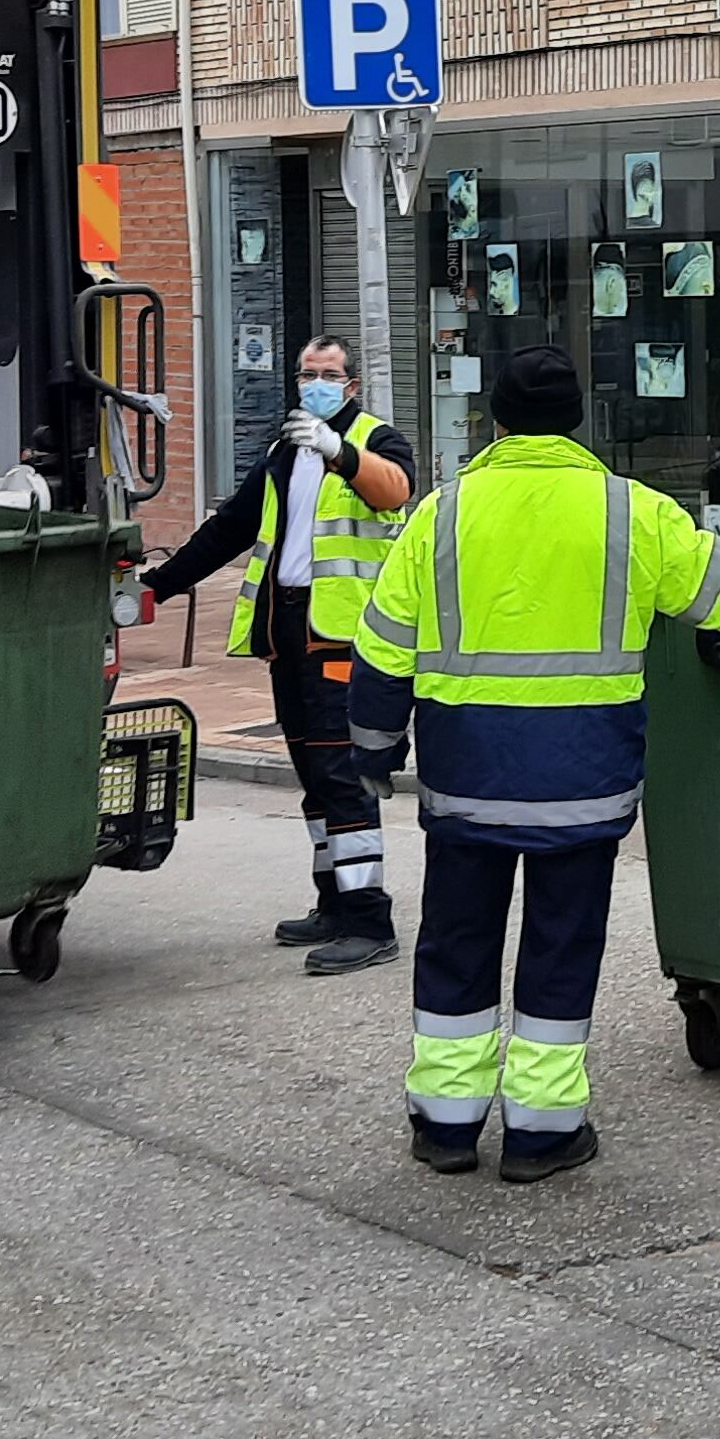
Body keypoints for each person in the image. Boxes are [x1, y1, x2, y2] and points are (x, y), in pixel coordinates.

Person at [346, 345, 720, 1183]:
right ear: (578, 422)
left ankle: (445, 1126)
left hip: (465, 784)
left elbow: (381, 652)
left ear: (497, 422)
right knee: (561, 947)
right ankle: (542, 1133)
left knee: (455, 941)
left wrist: (373, 753)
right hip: (580, 787)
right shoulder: (632, 512)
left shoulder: (439, 515)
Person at [137, 335, 419, 973]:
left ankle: (369, 921)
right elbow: (229, 529)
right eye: (306, 373)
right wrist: (155, 589)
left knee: (342, 779)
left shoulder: (375, 439)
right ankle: (334, 904)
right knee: (314, 781)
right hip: (287, 630)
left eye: (329, 374)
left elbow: (396, 491)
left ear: (351, 386)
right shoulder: (282, 453)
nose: (315, 383)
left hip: (343, 636)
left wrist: (340, 452)